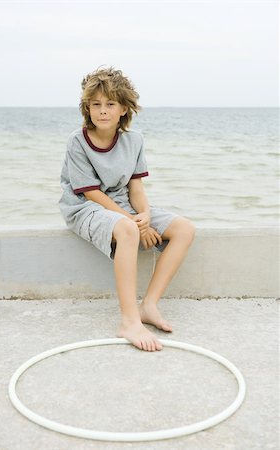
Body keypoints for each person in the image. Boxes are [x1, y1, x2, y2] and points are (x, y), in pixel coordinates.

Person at [59, 67, 195, 352]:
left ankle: (149, 305)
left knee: (184, 228)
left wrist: (143, 215)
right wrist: (135, 223)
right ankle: (129, 321)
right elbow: (92, 193)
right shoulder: (77, 141)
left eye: (110, 104)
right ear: (87, 108)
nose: (103, 111)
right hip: (85, 206)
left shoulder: (134, 140)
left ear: (123, 108)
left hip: (124, 206)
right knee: (127, 228)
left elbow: (136, 189)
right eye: (95, 104)